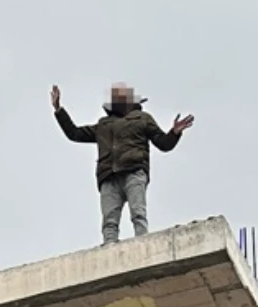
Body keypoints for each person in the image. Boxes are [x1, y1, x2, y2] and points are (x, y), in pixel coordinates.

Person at [52, 82, 194, 245]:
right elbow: (74, 133)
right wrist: (58, 110)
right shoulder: (103, 125)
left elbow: (163, 143)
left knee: (138, 213)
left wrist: (174, 133)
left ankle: (142, 242)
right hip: (109, 175)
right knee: (109, 220)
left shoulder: (142, 119)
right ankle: (109, 247)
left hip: (134, 170)